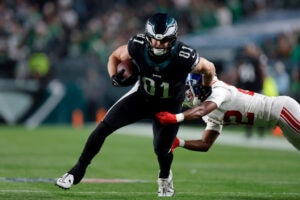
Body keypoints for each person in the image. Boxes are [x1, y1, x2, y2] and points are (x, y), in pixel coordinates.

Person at [55, 13, 216, 197]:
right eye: (154, 40)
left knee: (162, 149)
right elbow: (114, 56)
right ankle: (77, 171)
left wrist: (206, 86)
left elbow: (208, 68)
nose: (158, 45)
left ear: (173, 39)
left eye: (163, 41)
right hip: (141, 98)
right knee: (103, 127)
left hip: (169, 106)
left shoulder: (184, 55)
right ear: (147, 37)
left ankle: (164, 177)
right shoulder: (137, 45)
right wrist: (114, 77)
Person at [156, 73, 300, 152]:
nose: (185, 95)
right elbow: (206, 144)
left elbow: (201, 110)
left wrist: (175, 118)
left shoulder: (218, 90)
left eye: (187, 90)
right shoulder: (208, 111)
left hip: (282, 110)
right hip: (278, 121)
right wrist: (180, 142)